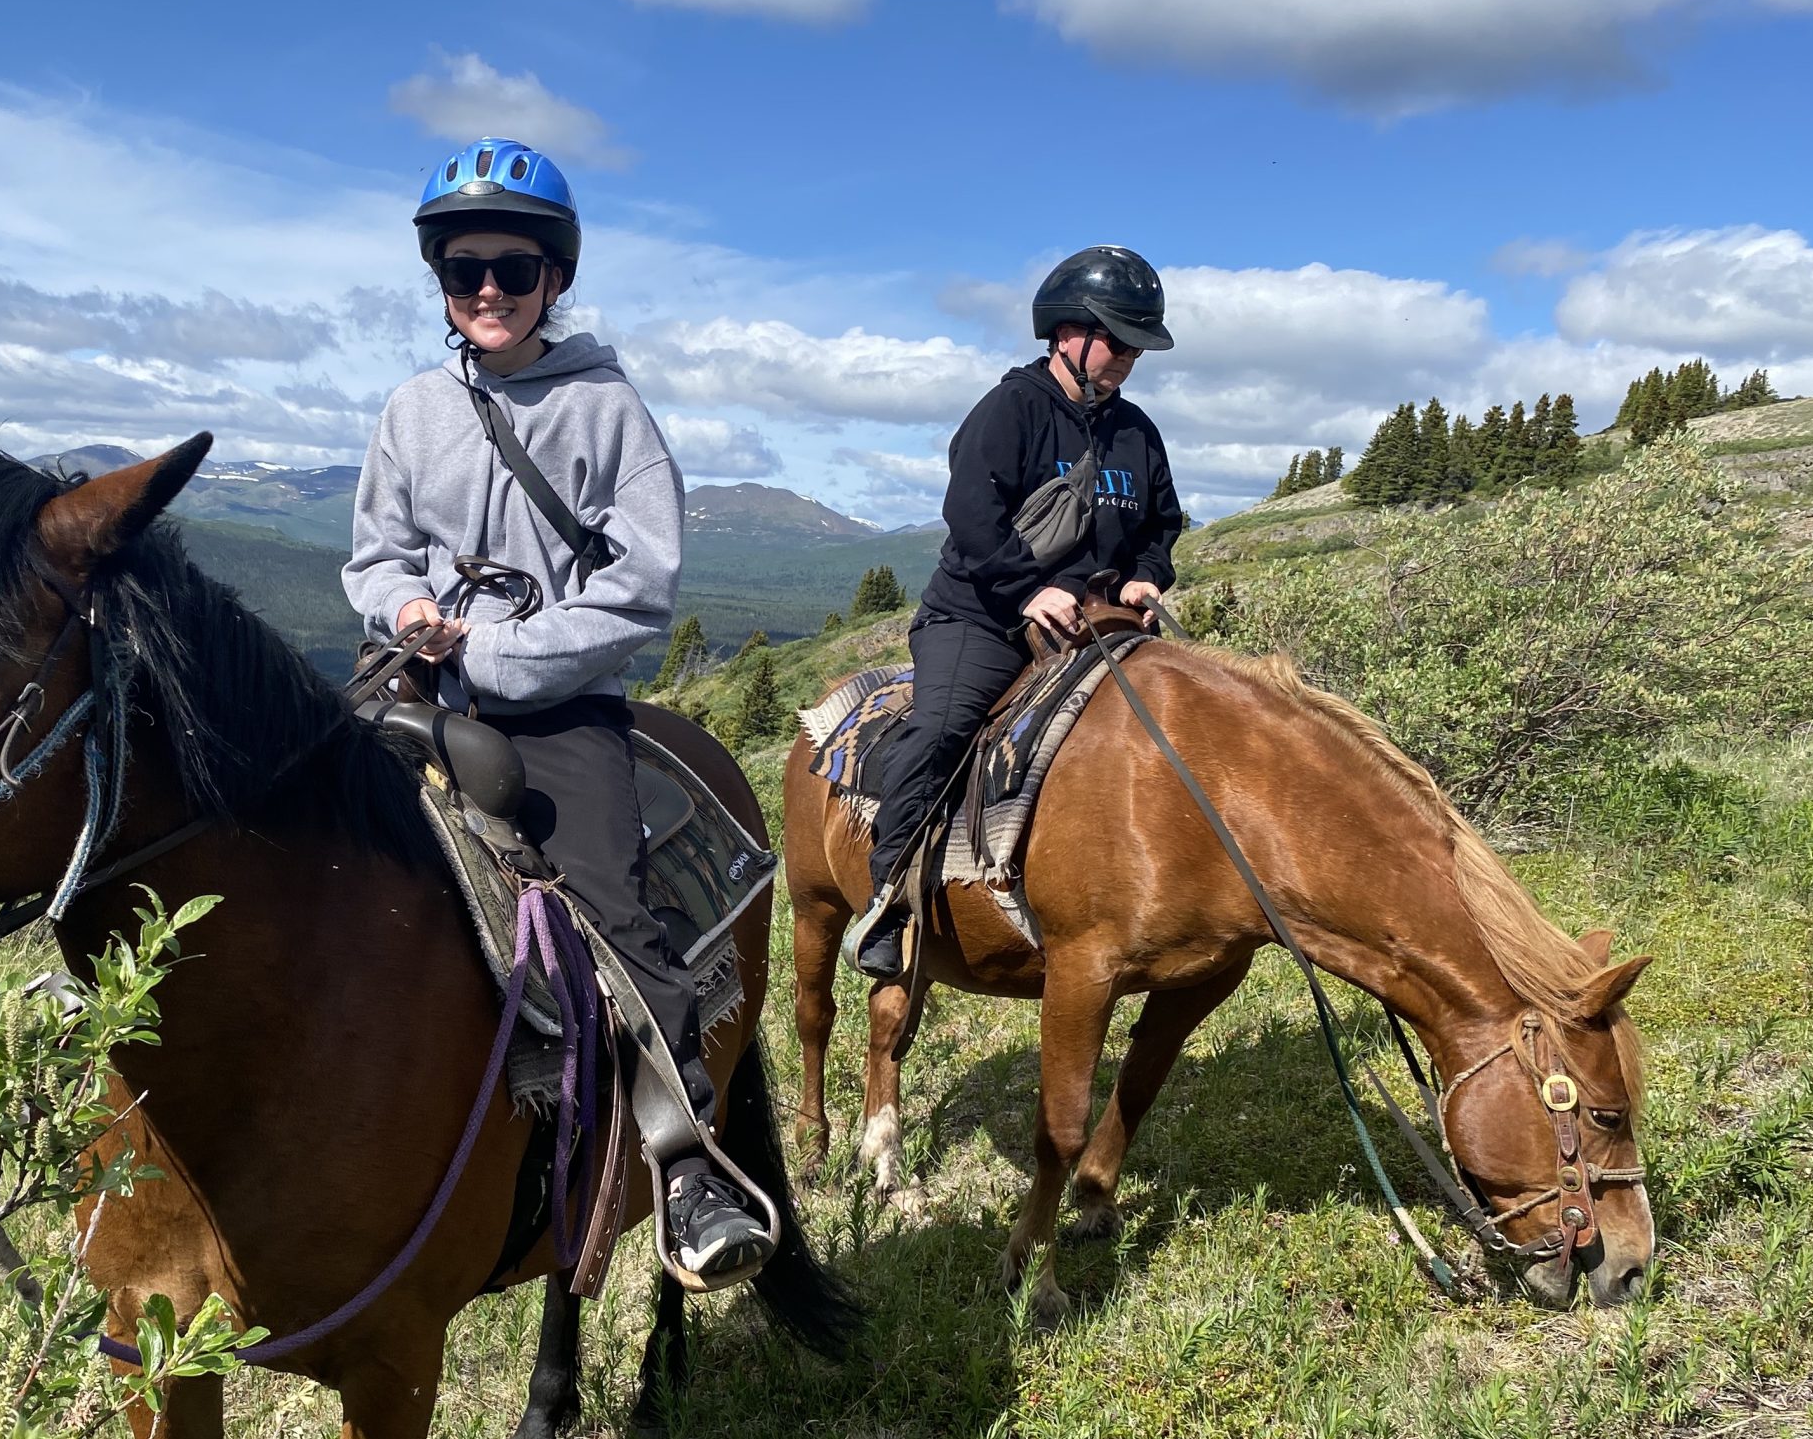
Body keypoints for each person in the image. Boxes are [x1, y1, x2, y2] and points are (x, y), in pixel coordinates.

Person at [344, 135, 774, 1288]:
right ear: (439, 277)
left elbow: (639, 588)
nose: (488, 288)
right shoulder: (410, 411)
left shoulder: (609, 410)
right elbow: (373, 557)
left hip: (556, 709)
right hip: (416, 687)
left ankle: (683, 1161)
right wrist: (409, 609)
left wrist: (502, 650)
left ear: (555, 279)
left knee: (608, 899)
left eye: (515, 269)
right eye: (463, 267)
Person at [848, 246, 1186, 981]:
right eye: (1118, 340)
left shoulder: (1137, 432)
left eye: (1136, 346)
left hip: (1098, 626)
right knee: (940, 733)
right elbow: (971, 514)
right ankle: (887, 900)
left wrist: (1146, 578)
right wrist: (1030, 587)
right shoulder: (1012, 408)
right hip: (983, 617)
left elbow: (1162, 524)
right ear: (1068, 332)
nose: (1128, 357)